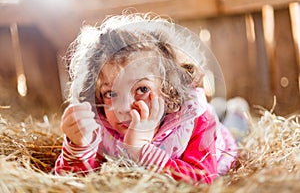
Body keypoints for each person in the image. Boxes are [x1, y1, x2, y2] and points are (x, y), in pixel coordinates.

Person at [55, 12, 238, 184]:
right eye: (111, 93)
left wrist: (142, 151)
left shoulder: (196, 120)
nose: (124, 108)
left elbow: (203, 181)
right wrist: (77, 146)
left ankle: (235, 111)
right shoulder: (102, 126)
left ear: (168, 89)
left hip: (219, 136)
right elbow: (73, 182)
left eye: (141, 89)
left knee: (234, 124)